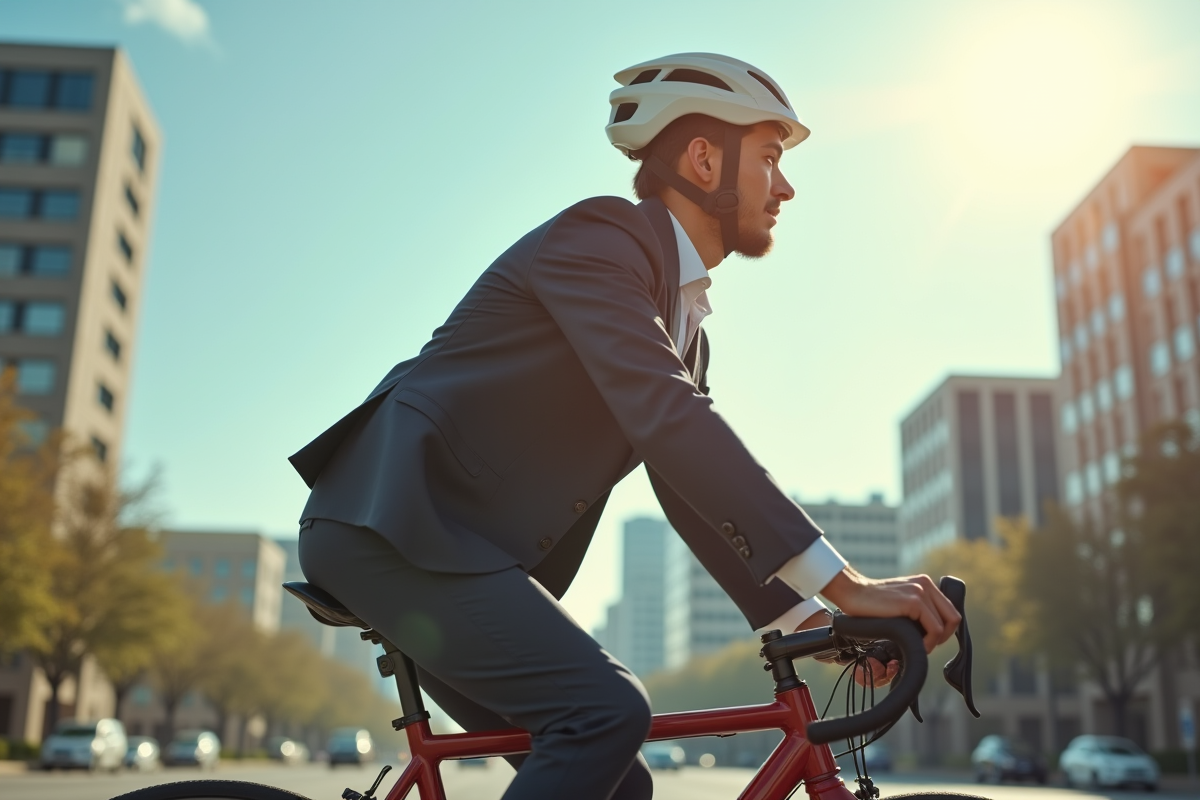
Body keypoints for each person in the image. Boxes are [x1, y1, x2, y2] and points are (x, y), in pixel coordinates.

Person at [290, 53, 961, 800]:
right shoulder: (602, 238)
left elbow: (689, 487)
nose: (786, 185)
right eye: (769, 158)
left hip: (448, 550)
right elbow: (670, 418)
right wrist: (849, 586)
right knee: (603, 712)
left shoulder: (687, 331)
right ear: (705, 159)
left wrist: (813, 622)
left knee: (620, 786)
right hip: (394, 527)